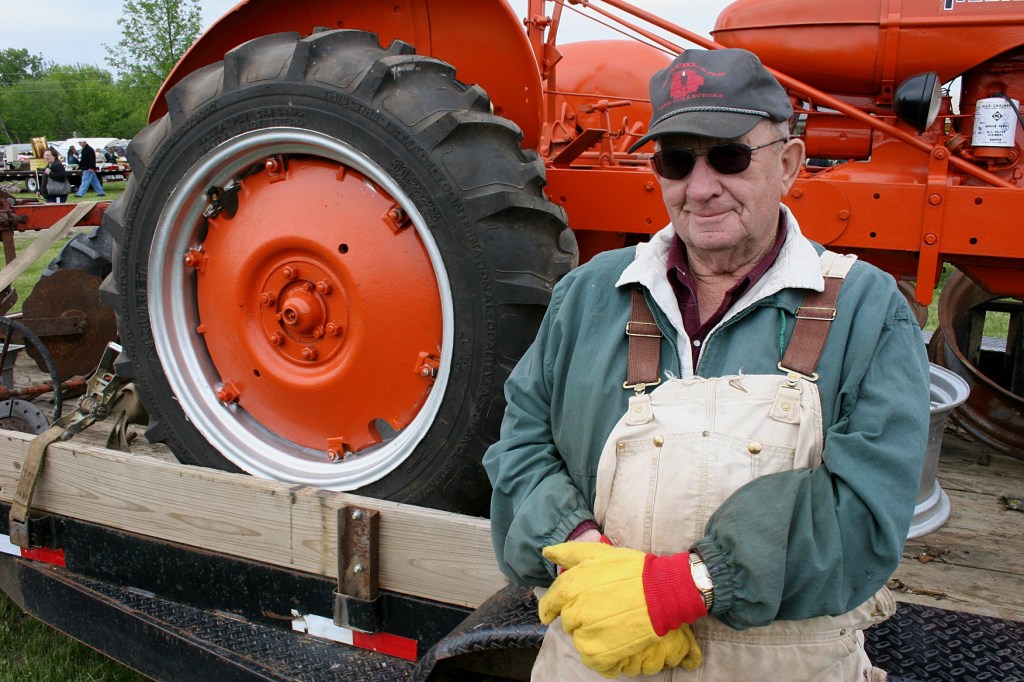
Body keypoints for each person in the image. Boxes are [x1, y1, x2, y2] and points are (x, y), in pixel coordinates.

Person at [483, 47, 930, 681]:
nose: (700, 187)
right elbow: (519, 448)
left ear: (790, 164)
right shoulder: (587, 295)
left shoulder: (867, 309)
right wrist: (584, 558)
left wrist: (681, 587)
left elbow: (868, 509)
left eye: (729, 156)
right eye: (675, 160)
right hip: (597, 657)